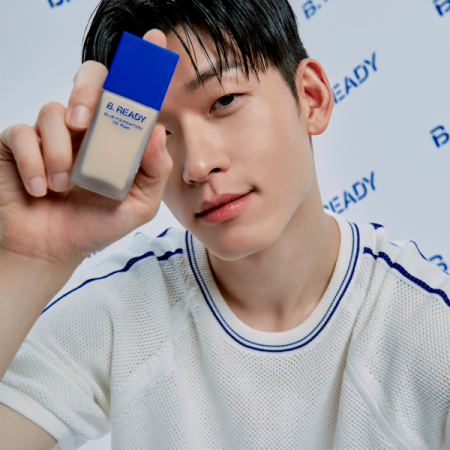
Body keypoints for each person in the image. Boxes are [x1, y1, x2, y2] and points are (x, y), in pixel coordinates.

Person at [0, 0, 449, 448]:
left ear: (311, 97)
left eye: (224, 101)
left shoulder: (429, 329)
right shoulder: (123, 308)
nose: (197, 165)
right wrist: (30, 257)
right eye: (160, 132)